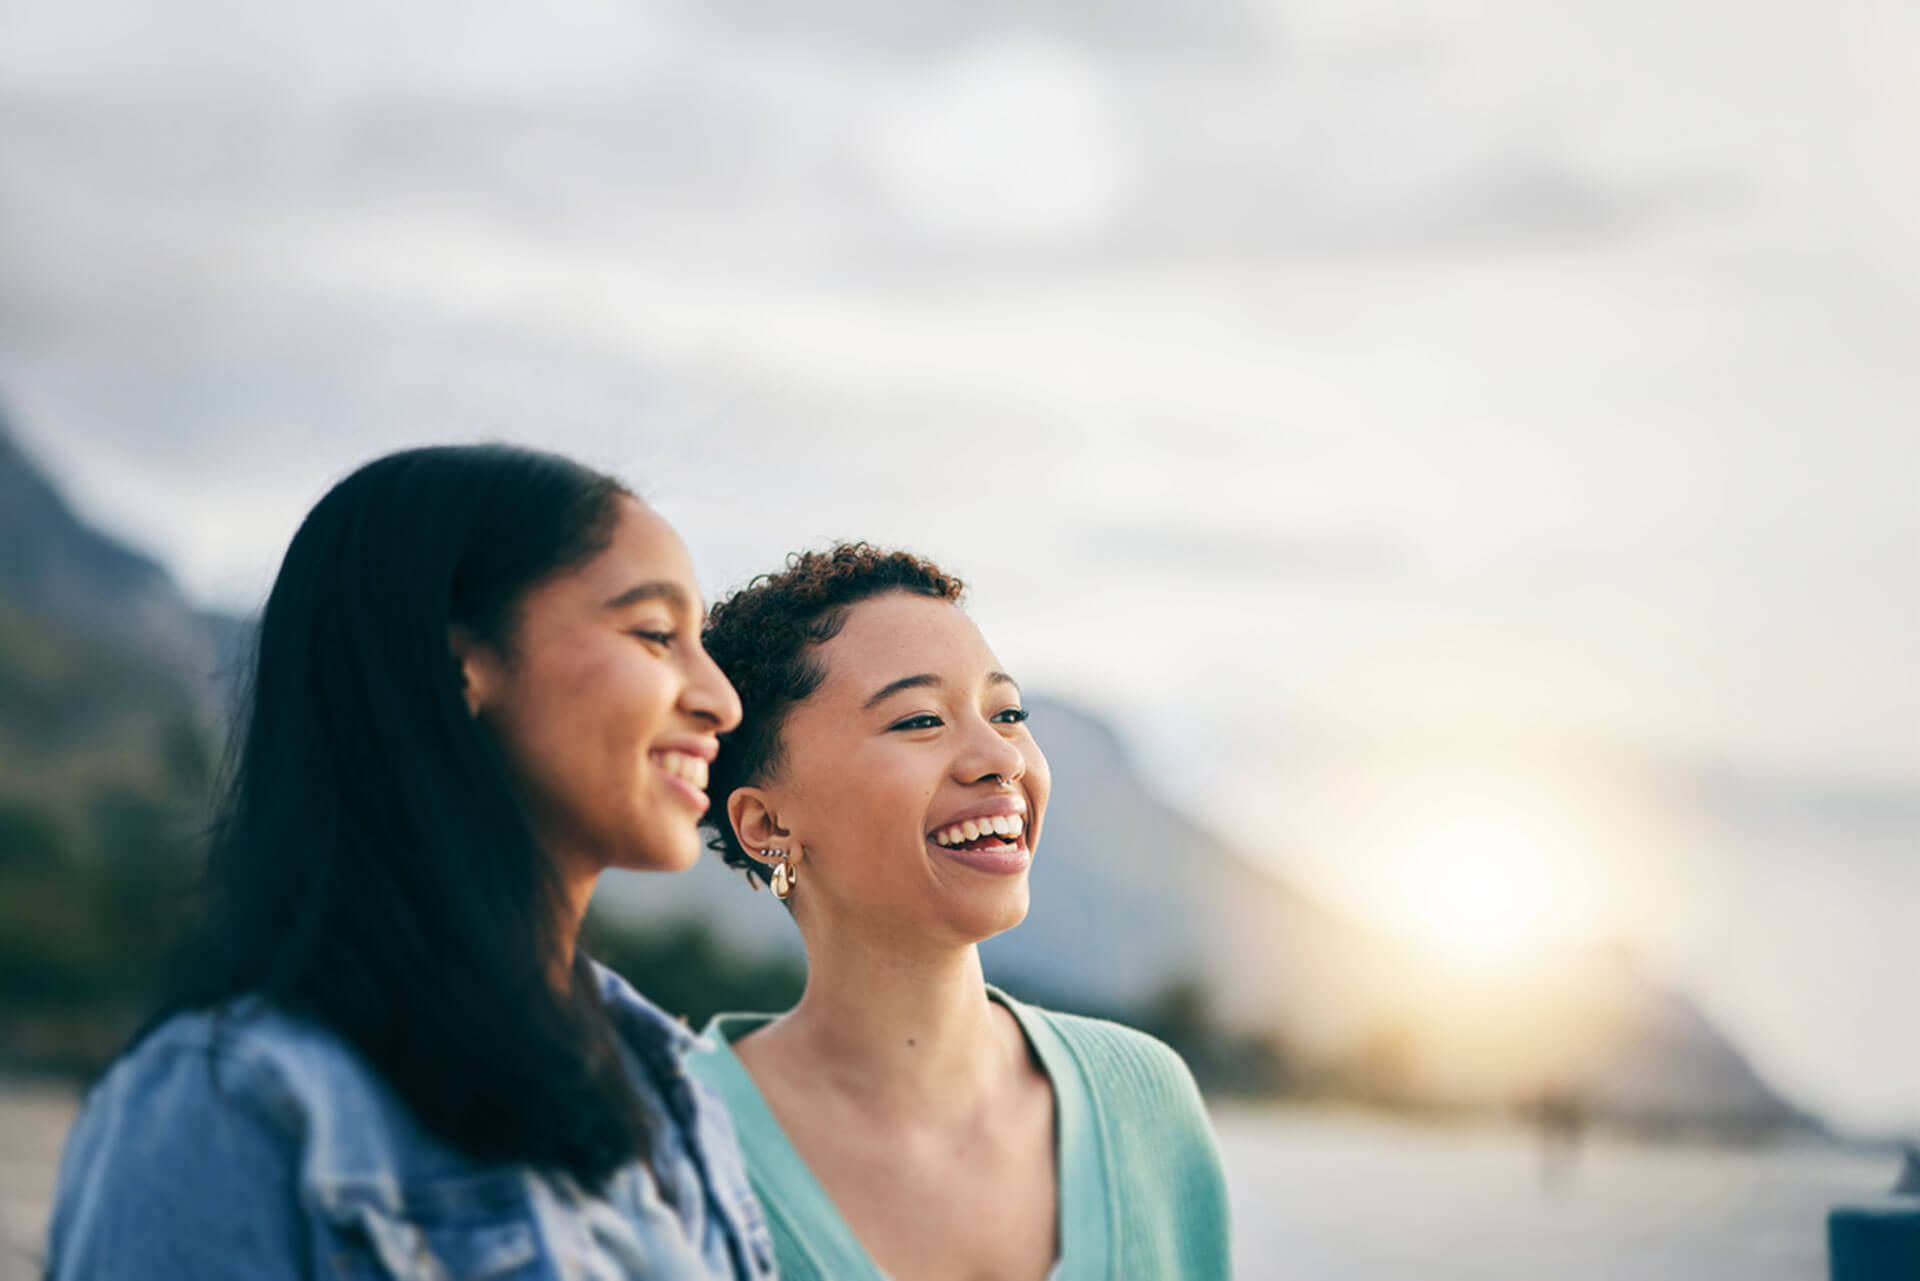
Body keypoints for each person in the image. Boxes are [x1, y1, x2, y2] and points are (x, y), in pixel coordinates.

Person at [46, 445, 776, 1280]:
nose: (721, 698)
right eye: (655, 634)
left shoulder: (668, 1078)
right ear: (456, 658)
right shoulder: (235, 1103)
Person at [686, 543, 1232, 1281]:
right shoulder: (668, 1153)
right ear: (766, 826)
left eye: (1007, 712)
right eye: (918, 720)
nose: (999, 756)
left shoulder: (1145, 1101)